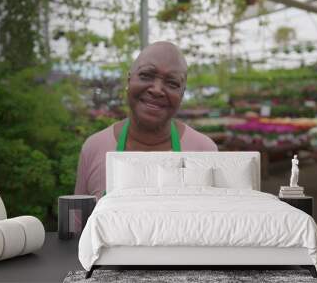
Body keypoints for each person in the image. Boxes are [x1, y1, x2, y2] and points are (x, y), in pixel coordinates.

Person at [74, 41, 218, 199]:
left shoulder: (203, 150)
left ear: (182, 94)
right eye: (146, 76)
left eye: (172, 83)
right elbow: (79, 222)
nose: (157, 90)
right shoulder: (94, 148)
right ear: (129, 81)